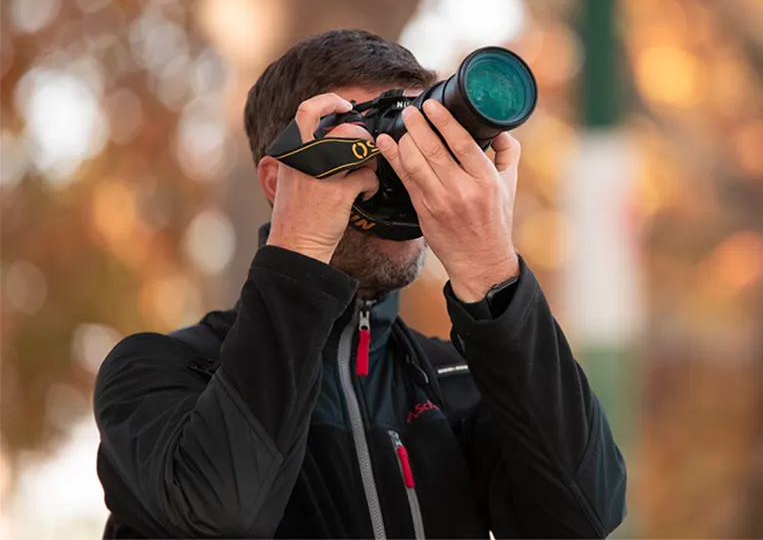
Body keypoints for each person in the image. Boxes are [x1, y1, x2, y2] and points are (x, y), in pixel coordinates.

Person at [93, 30, 628, 539]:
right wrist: (299, 246)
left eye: (427, 150)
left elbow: (583, 516)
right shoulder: (158, 374)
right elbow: (224, 514)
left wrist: (493, 275)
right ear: (279, 181)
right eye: (369, 147)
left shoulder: (456, 384)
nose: (402, 176)